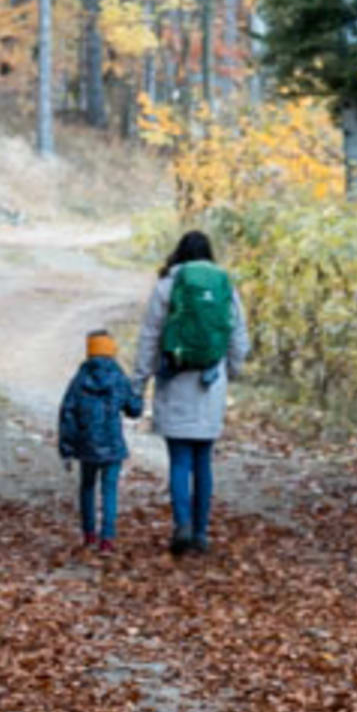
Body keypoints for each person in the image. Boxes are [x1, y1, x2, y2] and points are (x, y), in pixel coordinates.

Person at [133, 226, 252, 555]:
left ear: (179, 254)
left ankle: (181, 525)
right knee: (204, 461)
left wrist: (139, 383)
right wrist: (231, 370)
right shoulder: (224, 286)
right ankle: (201, 533)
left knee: (179, 460)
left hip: (175, 380)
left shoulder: (166, 286)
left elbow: (150, 338)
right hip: (210, 383)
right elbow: (238, 335)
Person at [54, 328, 145, 551]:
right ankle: (107, 537)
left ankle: (88, 534)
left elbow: (67, 413)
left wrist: (66, 448)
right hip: (112, 444)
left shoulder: (79, 379)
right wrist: (138, 393)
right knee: (109, 489)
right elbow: (134, 410)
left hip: (86, 446)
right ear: (111, 350)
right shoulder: (118, 377)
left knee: (87, 487)